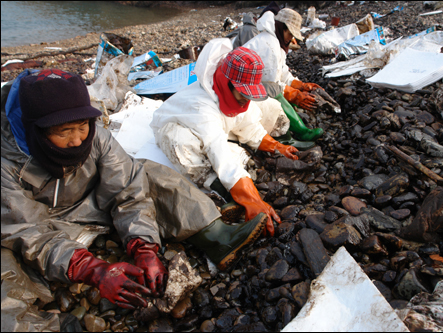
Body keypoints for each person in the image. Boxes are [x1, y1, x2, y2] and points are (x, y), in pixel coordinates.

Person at [1, 69, 267, 331]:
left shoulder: (96, 137)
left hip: (95, 203)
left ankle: (215, 235)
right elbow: (27, 230)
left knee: (144, 170)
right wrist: (91, 269)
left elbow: (128, 188)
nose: (76, 139)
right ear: (35, 129)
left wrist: (145, 248)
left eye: (82, 127)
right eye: (63, 132)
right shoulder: (5, 162)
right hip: (44, 226)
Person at [150, 39, 300, 239]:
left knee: (268, 108)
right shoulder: (201, 107)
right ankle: (220, 188)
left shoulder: (235, 97)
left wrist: (277, 147)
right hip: (181, 128)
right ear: (225, 82)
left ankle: (241, 179)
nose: (246, 100)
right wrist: (251, 199)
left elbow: (248, 124)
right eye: (243, 94)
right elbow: (217, 148)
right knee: (181, 143)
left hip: (216, 128)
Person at [243, 8, 325, 142]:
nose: (291, 39)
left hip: (253, 85)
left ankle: (290, 127)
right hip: (243, 88)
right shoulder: (269, 45)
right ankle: (301, 131)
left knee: (284, 95)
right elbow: (272, 86)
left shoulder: (276, 42)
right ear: (282, 28)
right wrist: (295, 95)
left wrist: (300, 86)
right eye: (290, 34)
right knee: (278, 96)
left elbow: (282, 72)